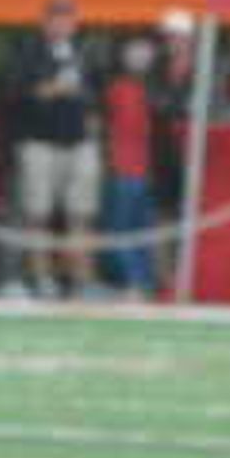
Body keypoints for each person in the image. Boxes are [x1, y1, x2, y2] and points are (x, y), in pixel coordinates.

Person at [0, 0, 99, 298]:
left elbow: (97, 95)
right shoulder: (29, 53)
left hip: (78, 142)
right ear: (45, 21)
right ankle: (42, 279)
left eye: (66, 16)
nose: (61, 23)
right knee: (37, 212)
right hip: (39, 142)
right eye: (55, 16)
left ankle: (80, 280)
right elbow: (15, 95)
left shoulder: (85, 54)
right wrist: (51, 90)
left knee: (80, 213)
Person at [95, 30, 163, 295]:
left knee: (122, 230)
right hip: (135, 170)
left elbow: (112, 129)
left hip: (127, 171)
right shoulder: (142, 91)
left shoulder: (123, 90)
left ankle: (137, 281)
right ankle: (142, 281)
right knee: (136, 230)